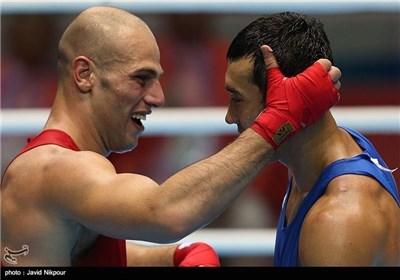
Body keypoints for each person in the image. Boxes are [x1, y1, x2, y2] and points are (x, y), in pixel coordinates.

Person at [1, 6, 341, 267]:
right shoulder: (55, 169)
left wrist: (177, 256)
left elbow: (87, 252)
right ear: (84, 74)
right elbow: (164, 212)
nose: (158, 98)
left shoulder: (65, 171)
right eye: (141, 78)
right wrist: (276, 124)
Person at [224, 11, 400, 266]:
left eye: (237, 98)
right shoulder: (310, 161)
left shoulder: (338, 218)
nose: (230, 117)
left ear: (284, 100)